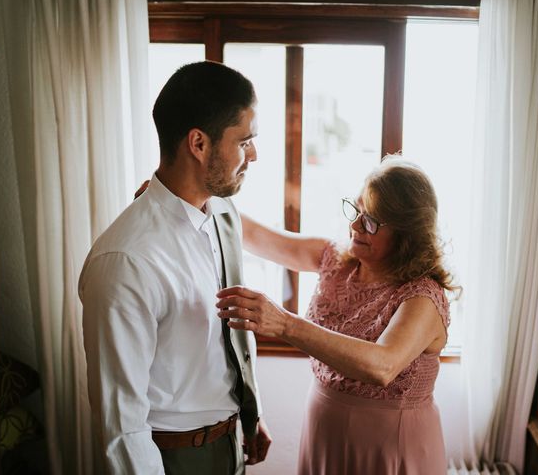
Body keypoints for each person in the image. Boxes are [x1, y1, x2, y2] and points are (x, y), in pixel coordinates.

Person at [78, 61, 271, 475]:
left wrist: (251, 412)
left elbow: (224, 335)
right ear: (198, 144)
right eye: (245, 141)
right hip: (172, 459)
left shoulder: (222, 214)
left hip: (231, 441)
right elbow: (122, 424)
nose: (253, 154)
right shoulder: (126, 262)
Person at [216, 155, 458, 475]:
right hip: (324, 433)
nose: (355, 225)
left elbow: (382, 365)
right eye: (356, 209)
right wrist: (191, 201)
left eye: (371, 221)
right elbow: (258, 238)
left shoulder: (423, 296)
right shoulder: (336, 259)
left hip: (391, 447)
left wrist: (286, 324)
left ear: (406, 235)